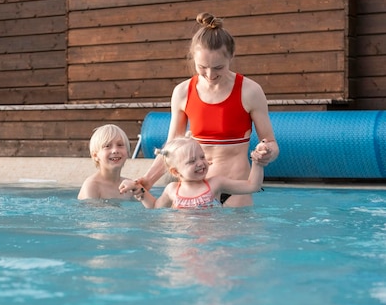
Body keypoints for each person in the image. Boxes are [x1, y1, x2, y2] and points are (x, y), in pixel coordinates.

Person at [120, 12, 278, 206]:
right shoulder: (182, 92)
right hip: (193, 193)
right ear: (193, 58)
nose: (210, 75)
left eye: (218, 68)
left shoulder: (250, 91)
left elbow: (271, 143)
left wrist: (265, 152)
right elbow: (171, 150)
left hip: (234, 190)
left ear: (231, 57)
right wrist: (147, 181)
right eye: (202, 67)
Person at [132, 136, 264, 209]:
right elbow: (155, 207)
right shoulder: (171, 190)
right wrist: (141, 193)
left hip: (211, 239)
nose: (200, 163)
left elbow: (253, 186)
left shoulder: (216, 183)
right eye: (191, 161)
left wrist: (257, 163)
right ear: (175, 171)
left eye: (202, 157)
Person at [78, 124, 137, 200]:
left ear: (127, 152)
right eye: (107, 146)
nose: (115, 150)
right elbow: (91, 211)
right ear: (95, 156)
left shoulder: (129, 185)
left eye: (120, 145)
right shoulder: (92, 186)